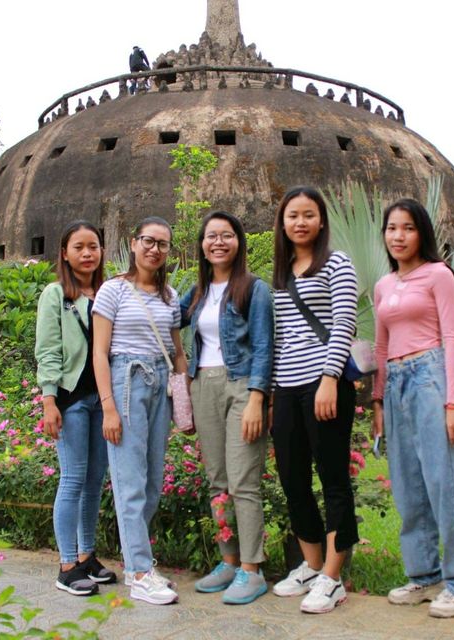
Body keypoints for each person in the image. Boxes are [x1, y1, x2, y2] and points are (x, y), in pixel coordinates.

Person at [371, 198, 454, 618]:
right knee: (408, 484)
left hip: (431, 377)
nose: (398, 236)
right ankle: (424, 575)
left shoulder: (439, 275)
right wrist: (378, 400)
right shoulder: (383, 286)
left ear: (422, 234)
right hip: (396, 383)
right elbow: (381, 347)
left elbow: (452, 339)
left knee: (446, 483)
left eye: (408, 228)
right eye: (391, 228)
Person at [270, 186, 359, 614]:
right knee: (293, 479)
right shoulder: (282, 272)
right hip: (286, 388)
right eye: (292, 216)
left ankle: (333, 577)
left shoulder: (335, 263)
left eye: (308, 215)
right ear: (282, 223)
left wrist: (329, 377)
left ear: (321, 221)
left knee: (334, 479)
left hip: (325, 384)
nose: (300, 222)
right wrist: (271, 393)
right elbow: (281, 336)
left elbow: (343, 321)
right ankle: (310, 565)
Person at [180, 211, 274, 605]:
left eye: (227, 235)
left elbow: (265, 347)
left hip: (241, 386)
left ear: (239, 242)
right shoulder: (198, 292)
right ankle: (229, 561)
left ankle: (252, 569)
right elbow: (170, 316)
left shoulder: (255, 288)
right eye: (211, 236)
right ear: (201, 244)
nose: (218, 242)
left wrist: (257, 398)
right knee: (217, 481)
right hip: (204, 385)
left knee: (243, 482)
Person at [92, 217, 188, 605]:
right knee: (130, 482)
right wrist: (109, 408)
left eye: (163, 244)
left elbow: (178, 351)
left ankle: (138, 561)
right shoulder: (113, 290)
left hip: (159, 386)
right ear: (134, 244)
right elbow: (100, 352)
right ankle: (139, 571)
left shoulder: (169, 295)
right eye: (149, 241)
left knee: (151, 483)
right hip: (126, 382)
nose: (155, 249)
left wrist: (185, 399)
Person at [35, 220, 117, 596]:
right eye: (79, 247)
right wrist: (49, 400)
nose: (87, 253)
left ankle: (86, 555)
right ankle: (67, 564)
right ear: (65, 253)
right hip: (70, 400)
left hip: (103, 400)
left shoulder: (108, 293)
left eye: (94, 246)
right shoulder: (56, 294)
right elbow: (49, 349)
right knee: (72, 479)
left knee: (94, 481)